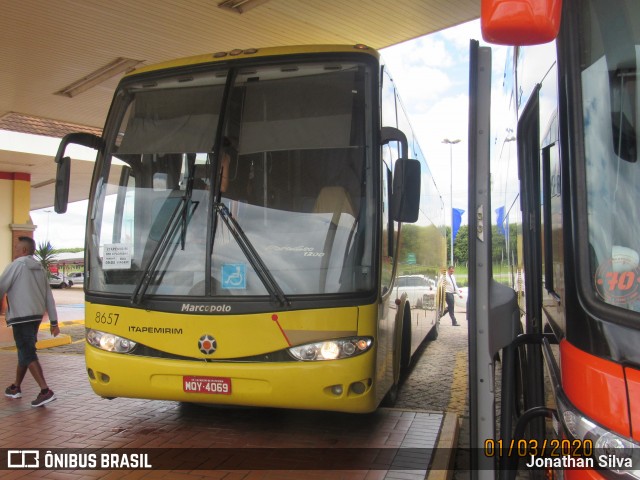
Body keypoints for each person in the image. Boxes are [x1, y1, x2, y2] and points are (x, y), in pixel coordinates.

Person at [0, 236, 59, 407]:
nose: (15, 251)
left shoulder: (17, 265)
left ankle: (45, 390)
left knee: (27, 352)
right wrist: (54, 321)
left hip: (21, 317)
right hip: (35, 317)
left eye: (17, 248)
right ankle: (16, 387)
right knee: (25, 351)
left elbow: (1, 286)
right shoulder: (40, 268)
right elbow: (49, 296)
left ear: (24, 250)